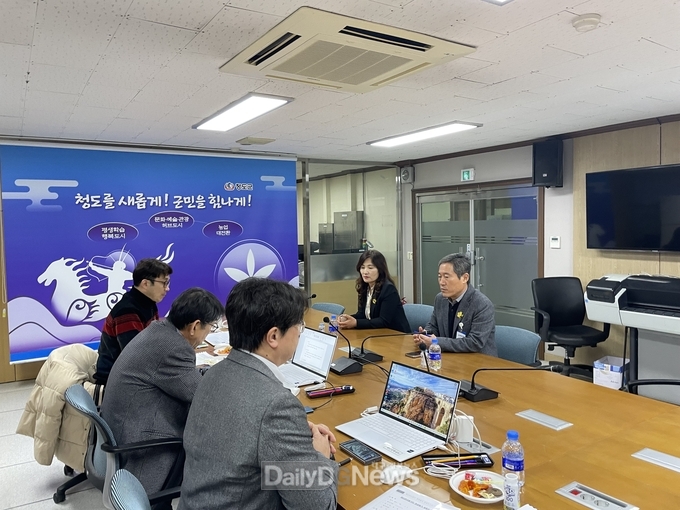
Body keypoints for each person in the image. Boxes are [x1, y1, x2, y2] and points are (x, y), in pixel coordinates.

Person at [179, 278, 338, 510]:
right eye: (299, 327)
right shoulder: (277, 405)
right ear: (273, 336)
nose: (300, 334)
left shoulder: (214, 372)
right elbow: (317, 506)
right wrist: (321, 457)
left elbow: (247, 427)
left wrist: (294, 432)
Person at [100, 287, 223, 508]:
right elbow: (203, 397)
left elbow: (181, 379)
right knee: (217, 434)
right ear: (195, 326)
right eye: (210, 327)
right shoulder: (174, 348)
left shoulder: (159, 330)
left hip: (123, 426)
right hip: (143, 445)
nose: (208, 333)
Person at [94, 258, 172, 384]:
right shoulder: (127, 312)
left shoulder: (148, 303)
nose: (167, 288)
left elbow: (154, 340)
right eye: (164, 283)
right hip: (117, 381)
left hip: (136, 373)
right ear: (145, 283)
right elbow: (136, 357)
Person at [413, 253, 497, 355]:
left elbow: (474, 342)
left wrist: (436, 342)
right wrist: (425, 334)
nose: (442, 282)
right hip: (449, 356)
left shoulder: (482, 304)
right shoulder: (440, 299)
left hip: (478, 360)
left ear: (465, 278)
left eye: (446, 277)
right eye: (439, 277)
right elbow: (434, 326)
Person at [337, 249, 410, 333]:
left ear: (380, 269)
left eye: (370, 268)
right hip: (375, 333)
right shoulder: (365, 287)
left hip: (396, 335)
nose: (365, 272)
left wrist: (356, 323)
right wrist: (347, 319)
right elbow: (362, 314)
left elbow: (383, 321)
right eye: (362, 267)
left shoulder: (388, 289)